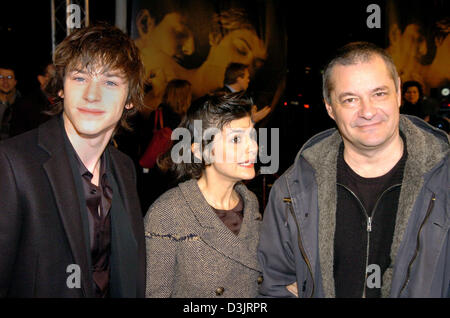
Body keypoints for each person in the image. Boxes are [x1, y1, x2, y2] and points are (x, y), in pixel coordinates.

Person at [258, 42, 449, 298]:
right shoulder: (292, 191)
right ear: (329, 108)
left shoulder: (444, 178)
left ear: (399, 93)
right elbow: (275, 287)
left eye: (379, 93)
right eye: (350, 99)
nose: (368, 111)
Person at [0, 24, 146, 297]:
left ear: (130, 100)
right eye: (79, 78)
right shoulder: (11, 164)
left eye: (110, 82)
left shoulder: (125, 168)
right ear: (62, 89)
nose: (92, 94)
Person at [144, 92, 263, 297]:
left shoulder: (251, 203)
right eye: (236, 139)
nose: (253, 147)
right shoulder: (167, 214)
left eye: (252, 137)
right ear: (200, 151)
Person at [140, 79, 192, 211]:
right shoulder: (185, 120)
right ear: (184, 97)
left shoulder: (157, 113)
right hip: (174, 171)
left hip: (155, 168)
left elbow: (145, 141)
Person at [9, 61, 55, 137]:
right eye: (52, 76)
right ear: (41, 79)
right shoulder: (26, 105)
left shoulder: (63, 101)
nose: (57, 80)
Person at [0, 64, 22, 140]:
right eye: (1, 77)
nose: (5, 81)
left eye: (9, 77)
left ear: (15, 81)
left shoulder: (25, 103)